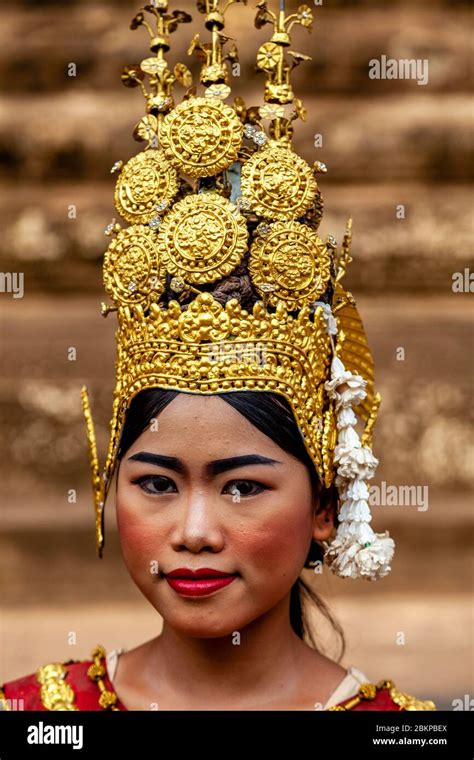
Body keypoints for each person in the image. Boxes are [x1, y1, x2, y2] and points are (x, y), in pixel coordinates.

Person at [0, 0, 436, 712]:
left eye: (242, 487)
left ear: (325, 505)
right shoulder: (35, 716)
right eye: (157, 484)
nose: (194, 532)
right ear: (108, 481)